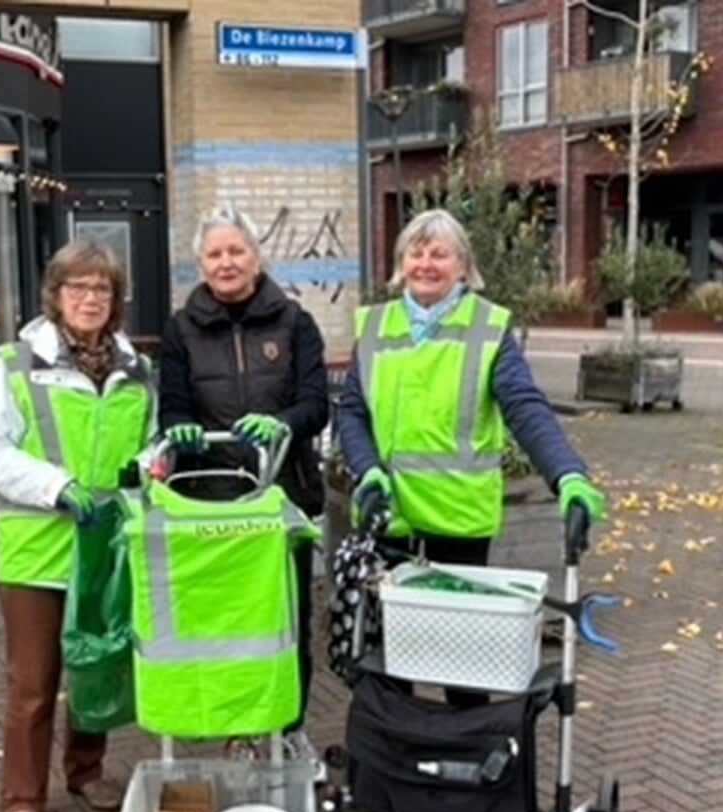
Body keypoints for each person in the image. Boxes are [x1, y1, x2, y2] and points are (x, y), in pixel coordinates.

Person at [335, 208, 607, 702]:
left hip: (456, 519)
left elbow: (525, 408)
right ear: (401, 262)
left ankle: (466, 764)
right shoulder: (376, 327)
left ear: (463, 266)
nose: (426, 263)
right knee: (388, 665)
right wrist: (367, 472)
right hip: (387, 517)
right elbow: (352, 411)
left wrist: (567, 475)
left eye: (439, 253)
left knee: (463, 669)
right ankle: (399, 763)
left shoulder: (488, 329)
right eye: (415, 252)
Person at [0, 238, 155, 812]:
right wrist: (56, 486)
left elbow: (147, 446)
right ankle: (22, 798)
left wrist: (156, 462)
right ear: (56, 294)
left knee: (96, 665)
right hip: (37, 549)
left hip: (104, 546)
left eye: (102, 289)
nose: (90, 299)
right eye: (78, 287)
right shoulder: (17, 364)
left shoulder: (135, 370)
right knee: (34, 680)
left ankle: (86, 773)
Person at [157, 207, 330, 754]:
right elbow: (174, 406)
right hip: (213, 504)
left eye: (236, 251)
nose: (226, 262)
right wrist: (179, 428)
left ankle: (289, 724)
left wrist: (282, 423)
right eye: (214, 254)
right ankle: (237, 722)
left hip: (282, 497)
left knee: (286, 618)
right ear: (200, 264)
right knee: (228, 621)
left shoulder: (295, 323)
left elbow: (316, 404)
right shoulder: (181, 329)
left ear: (257, 257)